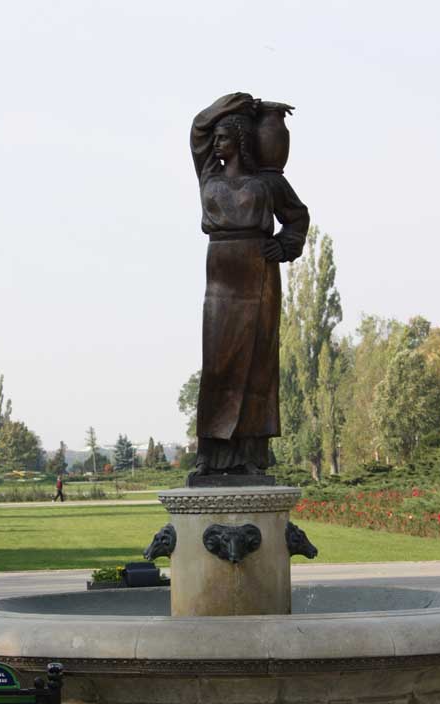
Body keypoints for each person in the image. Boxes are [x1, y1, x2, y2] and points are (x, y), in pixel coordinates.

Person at [190, 92, 309, 476]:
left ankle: (251, 455)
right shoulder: (208, 175)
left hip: (259, 275)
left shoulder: (267, 183)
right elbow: (199, 128)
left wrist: (285, 245)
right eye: (216, 140)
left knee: (257, 364)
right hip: (220, 277)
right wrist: (239, 103)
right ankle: (211, 454)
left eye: (224, 138)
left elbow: (297, 217)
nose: (216, 144)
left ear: (240, 141)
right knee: (217, 363)